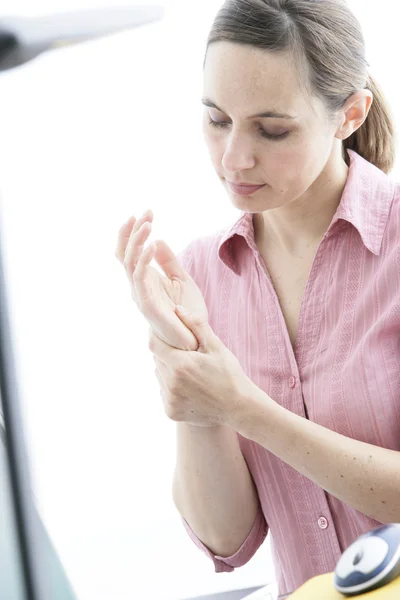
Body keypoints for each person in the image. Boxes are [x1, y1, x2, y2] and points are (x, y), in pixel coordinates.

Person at [115, 0, 400, 596]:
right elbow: (227, 539)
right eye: (217, 120)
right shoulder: (202, 272)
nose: (234, 159)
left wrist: (244, 407)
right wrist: (186, 362)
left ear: (350, 114)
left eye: (273, 129)